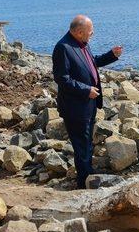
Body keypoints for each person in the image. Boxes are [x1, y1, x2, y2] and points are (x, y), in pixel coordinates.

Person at [52, 15, 123, 189]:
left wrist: (110, 56)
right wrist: (86, 90)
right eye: (90, 32)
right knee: (81, 145)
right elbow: (62, 79)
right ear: (79, 32)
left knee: (86, 143)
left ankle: (88, 174)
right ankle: (84, 182)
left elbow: (91, 63)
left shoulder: (82, 42)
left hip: (89, 104)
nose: (93, 34)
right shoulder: (63, 48)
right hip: (75, 106)